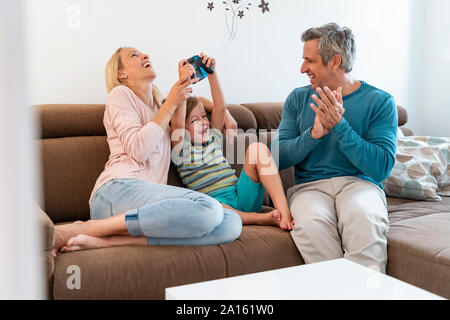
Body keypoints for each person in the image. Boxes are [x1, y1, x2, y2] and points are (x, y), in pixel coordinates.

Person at [52, 47, 242, 254]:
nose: (145, 55)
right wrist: (171, 102)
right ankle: (89, 228)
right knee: (211, 208)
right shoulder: (121, 95)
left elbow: (192, 104)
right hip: (115, 192)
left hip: (153, 207)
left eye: (144, 53)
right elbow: (139, 150)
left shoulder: (161, 108)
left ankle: (110, 241)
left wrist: (217, 106)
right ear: (121, 74)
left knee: (231, 222)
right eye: (135, 55)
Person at [271, 23, 398, 273]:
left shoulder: (380, 102)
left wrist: (339, 126)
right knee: (310, 224)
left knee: (364, 217)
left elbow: (381, 167)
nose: (302, 68)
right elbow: (276, 157)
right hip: (310, 189)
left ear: (334, 61)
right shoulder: (297, 99)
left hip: (360, 185)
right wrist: (314, 134)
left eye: (310, 61)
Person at [171, 54, 294, 230]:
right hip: (217, 204)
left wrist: (212, 75)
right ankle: (258, 219)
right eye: (194, 121)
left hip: (241, 194)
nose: (204, 122)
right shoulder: (181, 149)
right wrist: (184, 81)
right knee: (210, 207)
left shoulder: (213, 136)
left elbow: (220, 107)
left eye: (204, 116)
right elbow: (176, 122)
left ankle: (283, 211)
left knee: (257, 148)